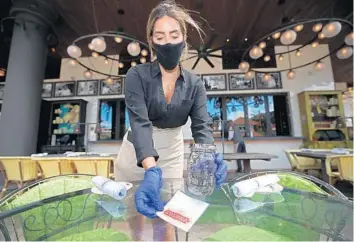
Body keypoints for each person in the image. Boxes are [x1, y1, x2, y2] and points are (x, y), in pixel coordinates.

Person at [114, 1, 227, 240]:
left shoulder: (195, 83)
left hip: (173, 151)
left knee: (166, 220)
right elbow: (140, 122)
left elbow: (201, 126)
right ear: (152, 41)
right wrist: (151, 171)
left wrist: (207, 155)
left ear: (184, 38)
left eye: (174, 35)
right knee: (135, 216)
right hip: (136, 149)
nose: (168, 42)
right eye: (160, 36)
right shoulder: (137, 76)